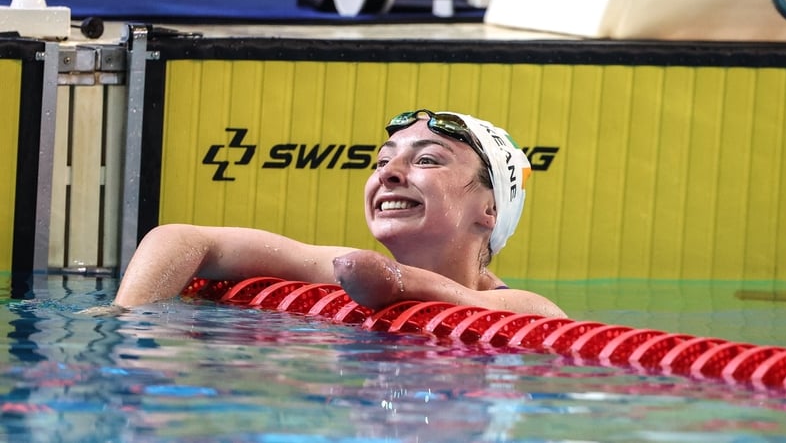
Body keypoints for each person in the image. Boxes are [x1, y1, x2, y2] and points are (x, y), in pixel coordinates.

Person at [112, 109, 566, 318]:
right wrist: (131, 335)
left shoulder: (529, 309)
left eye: (426, 159)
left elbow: (453, 300)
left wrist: (393, 280)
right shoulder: (342, 267)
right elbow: (180, 239)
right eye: (382, 161)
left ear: (489, 209)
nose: (389, 174)